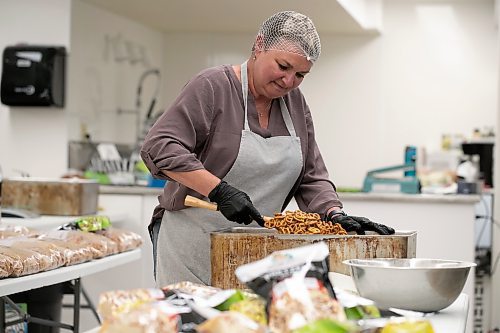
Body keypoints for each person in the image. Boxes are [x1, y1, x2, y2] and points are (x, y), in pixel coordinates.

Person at [141, 10, 394, 287]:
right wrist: (218, 189)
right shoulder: (213, 86)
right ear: (259, 45)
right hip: (193, 246)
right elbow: (160, 146)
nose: (289, 82)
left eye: (300, 74)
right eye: (283, 67)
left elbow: (311, 176)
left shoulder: (295, 104)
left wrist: (334, 214)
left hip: (257, 252)